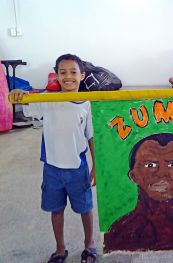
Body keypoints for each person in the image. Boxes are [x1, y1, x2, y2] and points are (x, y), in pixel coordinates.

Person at [10, 54, 97, 263]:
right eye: (63, 72)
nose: (68, 77)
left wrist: (95, 165)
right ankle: (60, 249)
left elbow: (91, 136)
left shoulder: (87, 104)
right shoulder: (47, 100)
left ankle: (89, 245)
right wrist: (17, 93)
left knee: (85, 209)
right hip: (52, 170)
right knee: (56, 210)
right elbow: (24, 100)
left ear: (82, 75)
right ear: (56, 75)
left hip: (78, 168)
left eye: (73, 72)